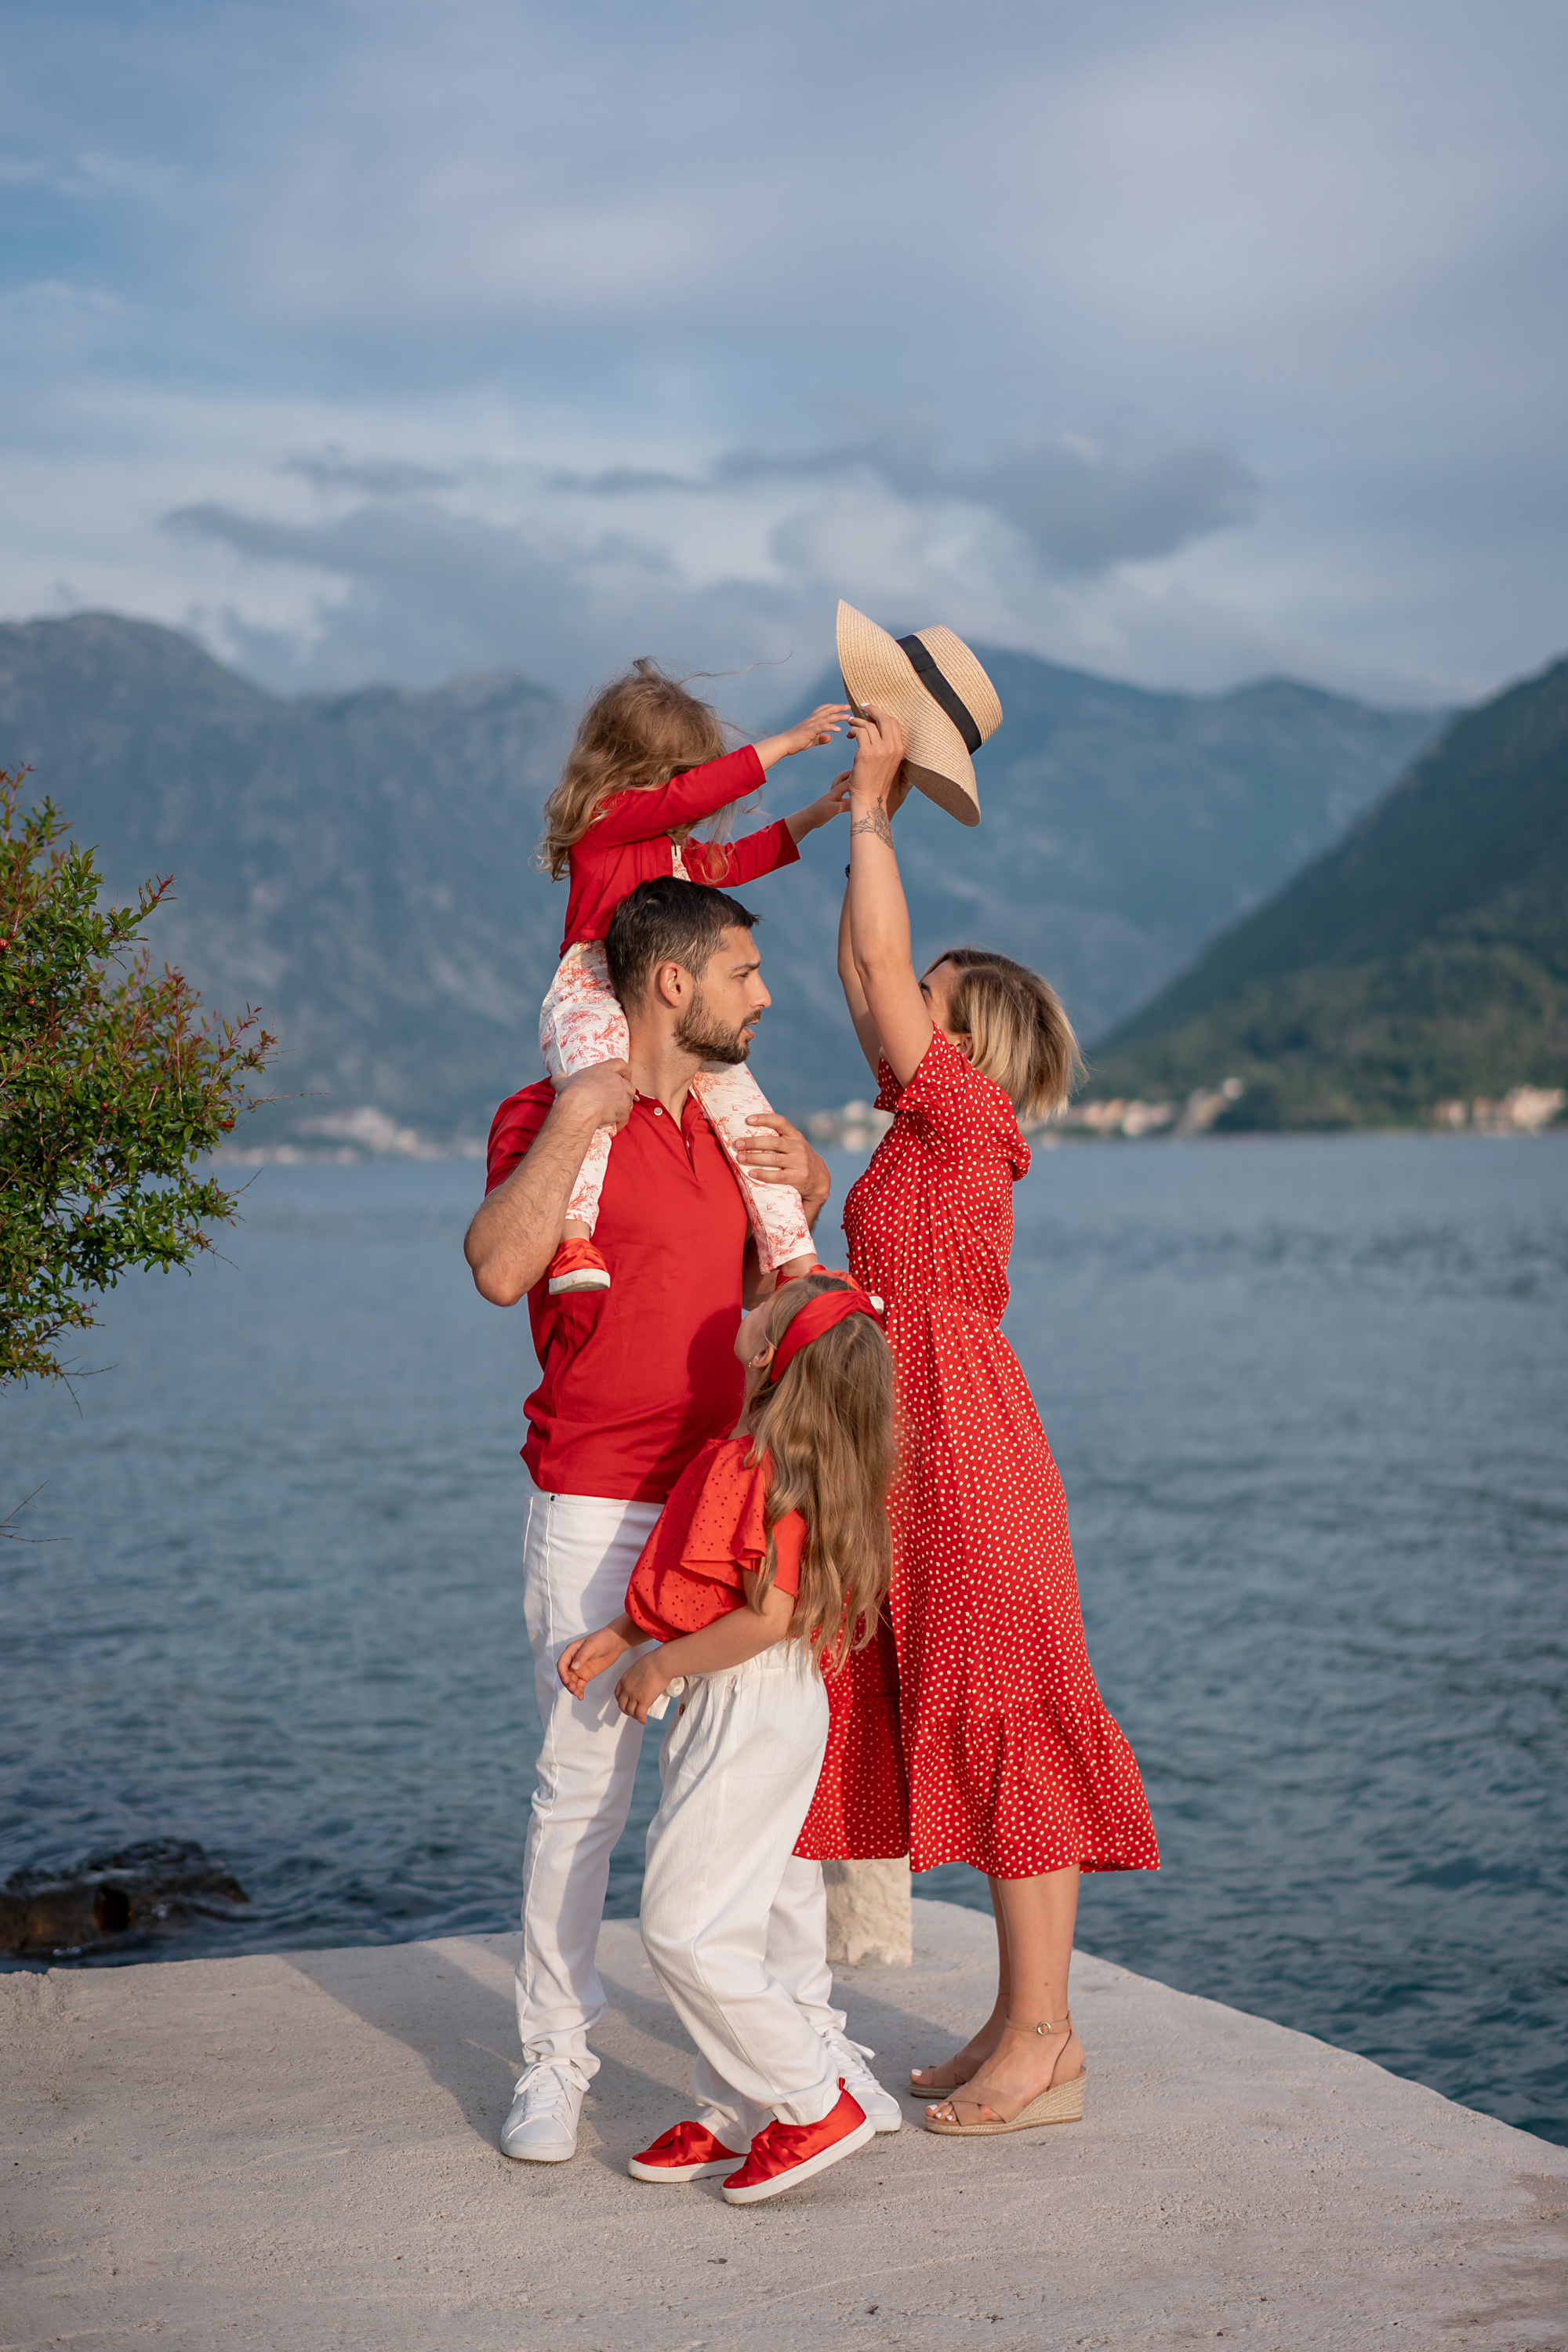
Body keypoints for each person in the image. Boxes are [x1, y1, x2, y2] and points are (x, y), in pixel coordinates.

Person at [463, 874, 897, 2165]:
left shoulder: (741, 1129)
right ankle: (555, 2061)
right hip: (594, 1501)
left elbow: (795, 1313)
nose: (764, 995)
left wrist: (814, 1185)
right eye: (742, 973)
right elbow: (499, 1267)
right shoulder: (545, 1114)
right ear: (671, 983)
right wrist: (578, 1115)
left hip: (730, 1503)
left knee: (755, 1800)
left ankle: (797, 2059)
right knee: (581, 1795)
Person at [835, 698, 1160, 2140]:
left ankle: (1047, 2041)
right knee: (970, 1718)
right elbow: (862, 968)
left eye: (930, 993)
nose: (897, 1001)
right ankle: (1024, 2022)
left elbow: (877, 964)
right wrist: (873, 818)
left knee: (1013, 1720)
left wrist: (869, 810)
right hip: (922, 1440)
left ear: (966, 1034)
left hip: (965, 1442)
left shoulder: (967, 1119)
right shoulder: (920, 1130)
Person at [557, 1271, 896, 2204]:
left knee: (680, 1924)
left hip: (750, 1701)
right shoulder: (768, 1457)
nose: (753, 1303)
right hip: (752, 1701)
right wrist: (625, 1634)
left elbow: (766, 1616)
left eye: (768, 1308)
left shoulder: (767, 1469)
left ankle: (809, 2100)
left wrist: (661, 1665)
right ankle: (737, 2107)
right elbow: (708, 1584)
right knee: (729, 1921)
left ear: (768, 1353)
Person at [535, 659, 851, 1295]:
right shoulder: (603, 824)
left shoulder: (672, 856)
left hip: (671, 1004)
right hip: (595, 986)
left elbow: (737, 860)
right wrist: (787, 744)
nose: (689, 791)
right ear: (646, 767)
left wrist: (815, 815)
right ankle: (572, 1238)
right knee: (593, 1095)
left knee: (750, 1120)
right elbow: (690, 798)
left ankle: (797, 1266)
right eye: (683, 773)